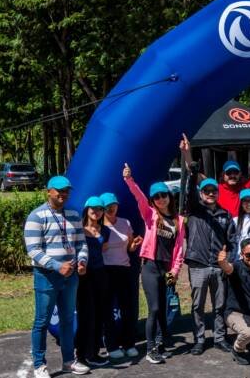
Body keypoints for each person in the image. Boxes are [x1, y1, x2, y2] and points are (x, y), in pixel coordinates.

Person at [24, 175, 90, 378]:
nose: (63, 194)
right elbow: (33, 250)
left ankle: (68, 362)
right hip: (46, 276)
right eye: (59, 190)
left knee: (68, 320)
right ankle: (39, 365)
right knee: (42, 321)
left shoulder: (73, 214)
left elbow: (81, 244)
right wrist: (56, 266)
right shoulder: (37, 216)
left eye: (66, 191)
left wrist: (82, 261)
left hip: (71, 276)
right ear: (48, 192)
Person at [123, 163, 185, 364]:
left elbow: (179, 250)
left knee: (164, 309)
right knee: (155, 308)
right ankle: (150, 350)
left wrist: (175, 271)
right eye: (156, 197)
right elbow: (139, 197)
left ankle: (159, 345)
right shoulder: (150, 215)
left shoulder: (179, 220)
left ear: (169, 196)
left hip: (166, 269)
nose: (161, 199)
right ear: (153, 200)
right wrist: (129, 180)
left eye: (163, 195)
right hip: (150, 267)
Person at [181, 156, 237, 356]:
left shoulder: (225, 214)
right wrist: (193, 172)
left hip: (218, 265)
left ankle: (220, 338)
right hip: (198, 264)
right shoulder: (195, 209)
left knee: (219, 304)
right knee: (197, 305)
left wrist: (228, 259)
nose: (211, 194)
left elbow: (233, 240)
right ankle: (199, 339)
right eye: (207, 191)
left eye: (214, 191)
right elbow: (188, 193)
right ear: (201, 193)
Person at [100, 192, 142, 360]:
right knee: (108, 310)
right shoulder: (99, 226)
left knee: (128, 309)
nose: (112, 208)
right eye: (108, 206)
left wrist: (135, 244)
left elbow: (130, 247)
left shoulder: (125, 223)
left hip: (125, 269)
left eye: (114, 205)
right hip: (106, 271)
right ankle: (111, 345)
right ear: (102, 209)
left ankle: (129, 344)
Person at [75, 196, 111, 368]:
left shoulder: (105, 231)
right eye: (93, 209)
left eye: (99, 209)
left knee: (99, 315)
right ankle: (80, 355)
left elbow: (103, 250)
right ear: (86, 210)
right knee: (85, 316)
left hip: (101, 275)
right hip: (84, 277)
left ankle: (94, 353)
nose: (96, 212)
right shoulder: (79, 230)